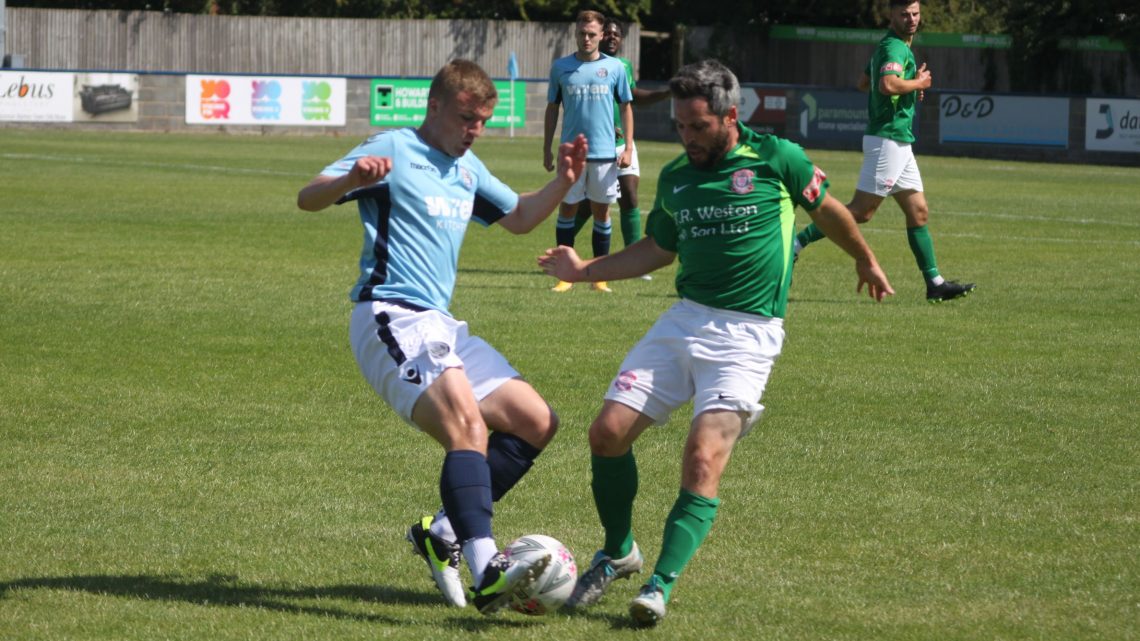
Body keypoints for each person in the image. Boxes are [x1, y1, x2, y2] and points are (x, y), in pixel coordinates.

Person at [538, 59, 894, 627]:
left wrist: (867, 260)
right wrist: (584, 270)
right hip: (684, 320)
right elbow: (657, 249)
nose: (687, 136)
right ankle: (619, 551)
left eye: (698, 126)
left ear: (731, 116)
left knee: (702, 457)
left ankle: (659, 585)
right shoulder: (679, 176)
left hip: (749, 333)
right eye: (680, 126)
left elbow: (829, 212)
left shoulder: (778, 158)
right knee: (606, 434)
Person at [297, 59, 588, 614]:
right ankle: (487, 570)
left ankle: (445, 532)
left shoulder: (468, 168)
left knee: (536, 421)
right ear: (433, 108)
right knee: (468, 428)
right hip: (391, 315)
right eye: (464, 119)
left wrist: (562, 184)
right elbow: (308, 196)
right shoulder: (394, 148)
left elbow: (521, 217)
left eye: (481, 121)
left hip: (439, 323)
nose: (473, 130)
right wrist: (352, 179)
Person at [793, 0, 975, 303]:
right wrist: (918, 82)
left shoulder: (891, 47)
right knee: (861, 212)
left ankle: (935, 283)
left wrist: (909, 86)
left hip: (900, 142)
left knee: (918, 211)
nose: (911, 19)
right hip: (887, 140)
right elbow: (887, 85)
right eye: (904, 14)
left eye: (915, 13)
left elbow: (865, 82)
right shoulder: (895, 48)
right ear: (891, 15)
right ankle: (795, 244)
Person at [570, 17, 671, 281]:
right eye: (609, 34)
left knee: (629, 193)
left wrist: (665, 93)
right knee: (585, 206)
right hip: (596, 144)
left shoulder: (622, 66)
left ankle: (634, 261)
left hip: (622, 143)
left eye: (617, 34)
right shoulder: (586, 63)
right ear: (601, 36)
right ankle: (564, 249)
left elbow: (631, 99)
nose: (613, 37)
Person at [544, 10, 634, 293]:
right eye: (582, 33)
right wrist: (547, 147)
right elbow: (552, 108)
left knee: (601, 213)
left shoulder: (616, 68)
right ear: (575, 33)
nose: (586, 38)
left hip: (605, 154)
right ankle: (565, 276)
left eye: (592, 34)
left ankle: (599, 276)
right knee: (567, 209)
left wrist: (628, 147)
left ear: (601, 35)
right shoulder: (561, 67)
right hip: (572, 154)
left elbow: (626, 107)